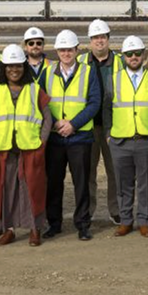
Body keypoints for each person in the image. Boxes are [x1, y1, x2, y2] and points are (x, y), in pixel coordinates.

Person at [0, 45, 51, 245]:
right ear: (3, 68)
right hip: (3, 150)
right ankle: (8, 229)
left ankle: (35, 229)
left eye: (18, 65)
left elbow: (48, 118)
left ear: (24, 67)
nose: (14, 70)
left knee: (33, 189)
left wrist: (43, 141)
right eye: (10, 66)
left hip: (30, 149)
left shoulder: (34, 89)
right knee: (6, 190)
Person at [44, 29, 101, 240]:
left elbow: (94, 102)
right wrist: (55, 122)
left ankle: (83, 225)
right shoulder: (47, 73)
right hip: (55, 137)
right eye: (62, 50)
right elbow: (40, 102)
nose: (66, 53)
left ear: (77, 50)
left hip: (80, 138)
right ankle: (54, 223)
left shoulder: (88, 71)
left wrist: (74, 124)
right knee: (54, 183)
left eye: (69, 49)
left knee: (82, 183)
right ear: (57, 51)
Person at [105, 35, 148, 237]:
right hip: (120, 141)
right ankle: (126, 220)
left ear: (143, 54)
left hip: (145, 140)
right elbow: (106, 108)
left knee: (146, 184)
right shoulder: (114, 79)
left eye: (137, 53)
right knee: (123, 184)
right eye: (129, 54)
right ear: (124, 56)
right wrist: (108, 133)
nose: (134, 57)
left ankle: (144, 221)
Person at [79, 19, 118, 224]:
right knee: (88, 172)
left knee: (115, 171)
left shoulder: (120, 62)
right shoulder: (81, 62)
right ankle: (88, 210)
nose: (99, 41)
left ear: (108, 39)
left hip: (114, 126)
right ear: (90, 40)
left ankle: (116, 210)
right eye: (95, 37)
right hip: (88, 126)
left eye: (102, 37)